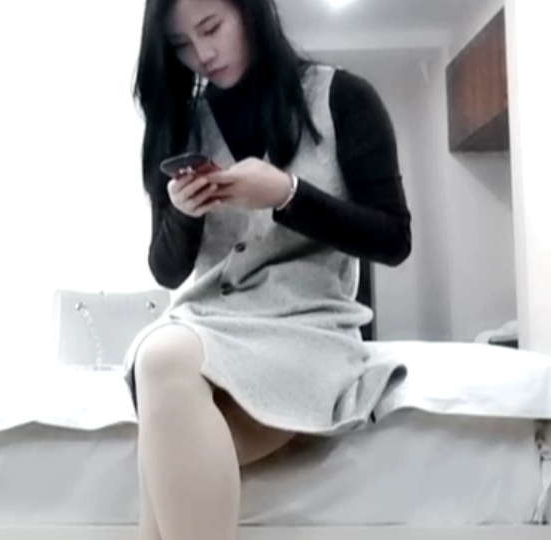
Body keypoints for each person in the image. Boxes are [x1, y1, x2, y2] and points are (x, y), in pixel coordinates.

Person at [123, 1, 412, 539]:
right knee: (159, 359)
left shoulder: (343, 98)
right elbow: (166, 271)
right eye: (181, 45)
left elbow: (394, 240)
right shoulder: (181, 124)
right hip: (208, 324)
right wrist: (183, 215)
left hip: (306, 326)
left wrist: (288, 194)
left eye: (211, 27)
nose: (202, 54)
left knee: (161, 425)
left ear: (250, 10)